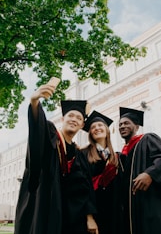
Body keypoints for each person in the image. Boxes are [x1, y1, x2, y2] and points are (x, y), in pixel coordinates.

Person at [14, 80, 98, 234]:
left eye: (79, 118)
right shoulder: (51, 133)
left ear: (81, 126)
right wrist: (34, 102)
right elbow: (37, 129)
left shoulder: (78, 155)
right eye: (70, 115)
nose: (74, 119)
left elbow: (84, 188)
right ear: (62, 119)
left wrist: (89, 217)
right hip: (42, 199)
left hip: (64, 211)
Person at [81, 110, 122, 234]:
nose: (97, 128)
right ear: (90, 134)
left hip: (114, 213)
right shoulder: (84, 154)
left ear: (107, 130)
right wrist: (89, 217)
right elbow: (82, 186)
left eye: (100, 125)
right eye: (93, 127)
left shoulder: (115, 157)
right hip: (95, 213)